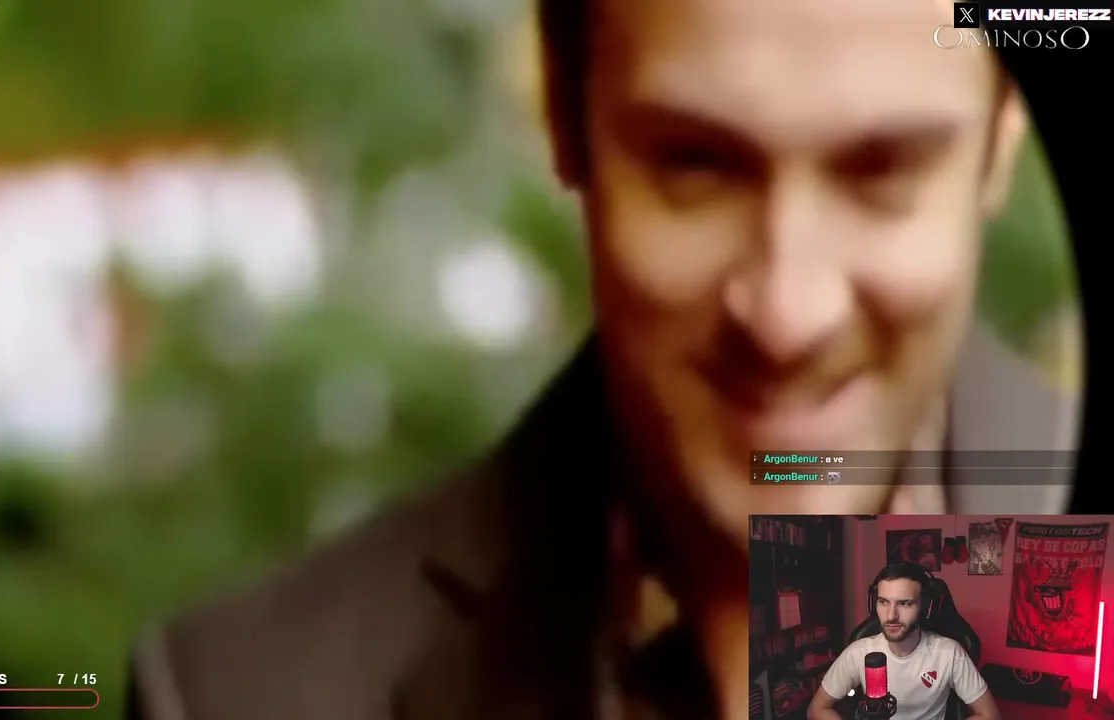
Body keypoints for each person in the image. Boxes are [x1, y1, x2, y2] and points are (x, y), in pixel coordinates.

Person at [125, 0, 1078, 716]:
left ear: (1003, 136)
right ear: (563, 112)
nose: (788, 315)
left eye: (883, 171)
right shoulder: (237, 694)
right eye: (695, 165)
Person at [809, 563, 999, 720]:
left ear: (925, 608)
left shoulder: (949, 653)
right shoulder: (858, 652)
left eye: (905, 603)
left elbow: (990, 714)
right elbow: (817, 709)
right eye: (883, 602)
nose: (891, 615)